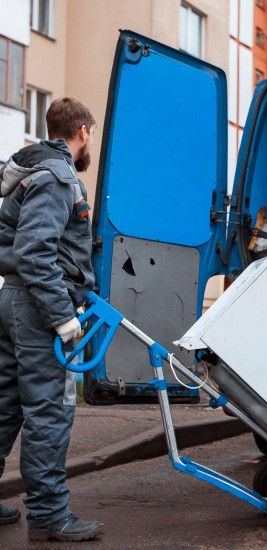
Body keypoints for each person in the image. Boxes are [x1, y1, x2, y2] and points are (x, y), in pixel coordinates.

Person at [0, 98, 103, 542]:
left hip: (13, 300)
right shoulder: (59, 178)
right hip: (38, 308)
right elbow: (35, 251)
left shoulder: (27, 169)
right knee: (49, 409)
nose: (90, 144)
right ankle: (48, 513)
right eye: (91, 136)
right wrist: (63, 317)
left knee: (5, 404)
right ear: (81, 132)